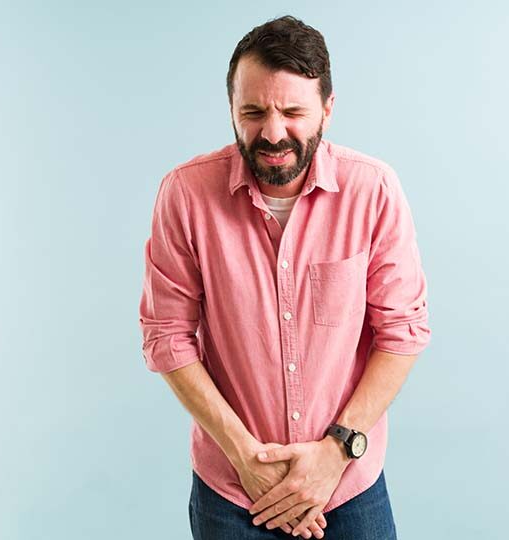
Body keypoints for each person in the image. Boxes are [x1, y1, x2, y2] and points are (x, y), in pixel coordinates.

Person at [139, 15, 431, 540]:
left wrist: (335, 452)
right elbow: (167, 336)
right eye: (253, 112)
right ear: (231, 108)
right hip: (232, 489)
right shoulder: (184, 195)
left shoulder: (373, 191)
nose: (273, 133)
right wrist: (245, 457)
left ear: (328, 109)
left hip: (347, 484)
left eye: (293, 112)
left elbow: (402, 332)